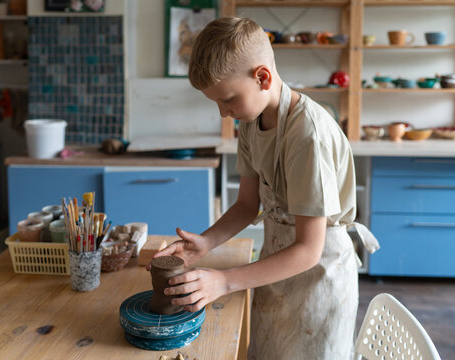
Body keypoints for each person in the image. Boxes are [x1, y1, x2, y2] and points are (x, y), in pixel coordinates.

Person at [151, 17, 380, 359]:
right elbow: (246, 204)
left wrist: (225, 282)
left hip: (319, 275)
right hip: (278, 262)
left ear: (262, 77)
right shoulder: (251, 120)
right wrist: (207, 242)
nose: (223, 113)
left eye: (227, 100)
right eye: (215, 103)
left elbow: (308, 249)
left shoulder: (307, 135)